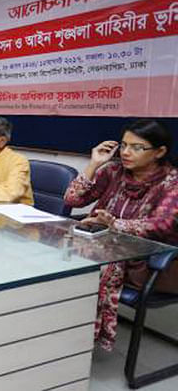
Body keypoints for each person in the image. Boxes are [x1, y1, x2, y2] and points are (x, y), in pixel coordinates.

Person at [63, 119, 178, 350]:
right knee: (54, 258)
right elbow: (73, 200)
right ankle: (55, 326)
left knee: (80, 268)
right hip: (100, 245)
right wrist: (93, 165)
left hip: (146, 261)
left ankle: (77, 341)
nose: (126, 152)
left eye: (137, 147)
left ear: (160, 151)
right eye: (123, 145)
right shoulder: (114, 171)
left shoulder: (171, 182)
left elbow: (163, 225)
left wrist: (115, 224)